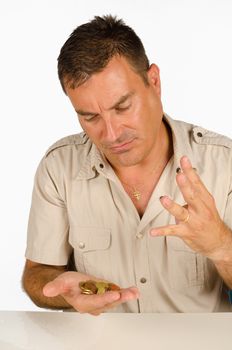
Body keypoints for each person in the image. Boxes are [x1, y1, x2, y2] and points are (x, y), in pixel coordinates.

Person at [22, 15, 232, 315]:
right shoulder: (59, 168)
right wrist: (64, 292)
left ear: (154, 81)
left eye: (122, 107)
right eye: (90, 117)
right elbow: (37, 274)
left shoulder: (225, 163)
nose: (111, 134)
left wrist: (221, 245)